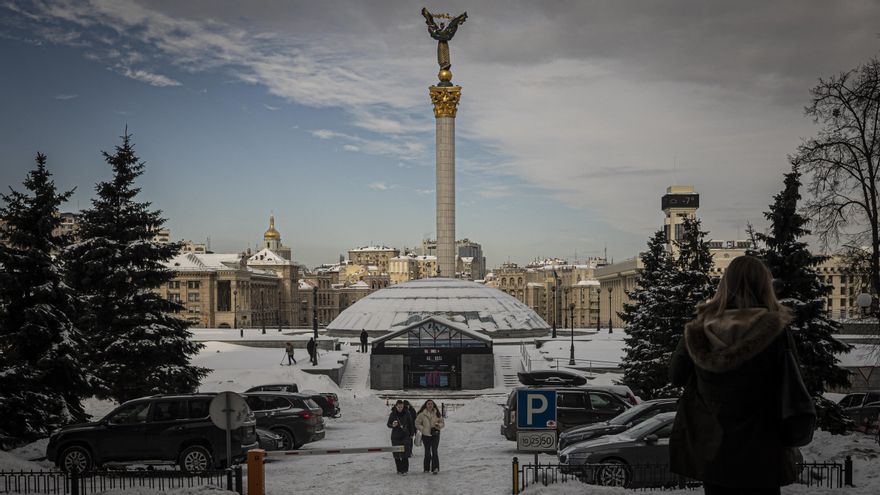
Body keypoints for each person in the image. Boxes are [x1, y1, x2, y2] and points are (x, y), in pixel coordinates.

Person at [669, 255, 798, 495]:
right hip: (763, 450)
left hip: (714, 449)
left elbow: (676, 375)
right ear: (765, 286)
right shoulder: (775, 330)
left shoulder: (700, 329)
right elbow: (793, 383)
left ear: (725, 284)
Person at [416, 399, 445, 474]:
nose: (430, 405)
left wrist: (439, 425)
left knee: (435, 451)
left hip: (435, 435)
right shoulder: (422, 414)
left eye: (431, 404)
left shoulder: (437, 413)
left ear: (433, 405)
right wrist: (423, 429)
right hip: (426, 436)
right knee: (427, 452)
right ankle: (426, 468)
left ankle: (435, 468)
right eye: (428, 404)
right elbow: (417, 423)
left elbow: (442, 423)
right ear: (426, 405)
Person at [387, 400, 414, 475]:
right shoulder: (393, 414)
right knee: (396, 454)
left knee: (405, 453)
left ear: (403, 406)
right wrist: (392, 425)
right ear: (396, 406)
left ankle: (405, 470)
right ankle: (399, 469)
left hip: (405, 435)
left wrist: (412, 433)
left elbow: (410, 423)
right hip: (395, 436)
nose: (400, 408)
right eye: (398, 407)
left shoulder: (407, 413)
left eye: (401, 407)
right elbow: (388, 424)